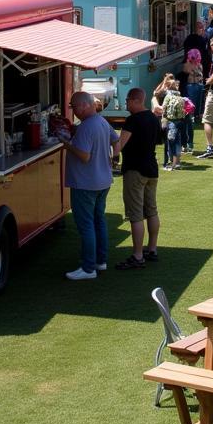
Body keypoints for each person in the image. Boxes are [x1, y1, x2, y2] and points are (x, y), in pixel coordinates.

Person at [60, 91, 119, 280]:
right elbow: (115, 140)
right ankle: (100, 261)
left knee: (86, 225)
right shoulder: (101, 122)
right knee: (98, 221)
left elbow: (84, 156)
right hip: (102, 181)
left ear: (85, 105)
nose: (73, 110)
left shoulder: (87, 126)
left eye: (73, 106)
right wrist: (113, 158)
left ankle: (88, 268)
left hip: (86, 184)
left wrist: (66, 144)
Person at [109, 87, 161, 270]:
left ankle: (138, 255)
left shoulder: (132, 120)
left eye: (127, 101)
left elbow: (119, 145)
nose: (126, 104)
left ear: (135, 100)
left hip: (135, 170)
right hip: (151, 168)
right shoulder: (153, 118)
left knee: (135, 214)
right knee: (152, 210)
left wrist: (112, 156)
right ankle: (152, 249)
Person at [179, 48, 205, 153]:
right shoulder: (193, 65)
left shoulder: (192, 65)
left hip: (195, 86)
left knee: (194, 106)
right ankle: (194, 115)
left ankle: (195, 115)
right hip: (195, 86)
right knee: (193, 106)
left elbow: (196, 75)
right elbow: (197, 75)